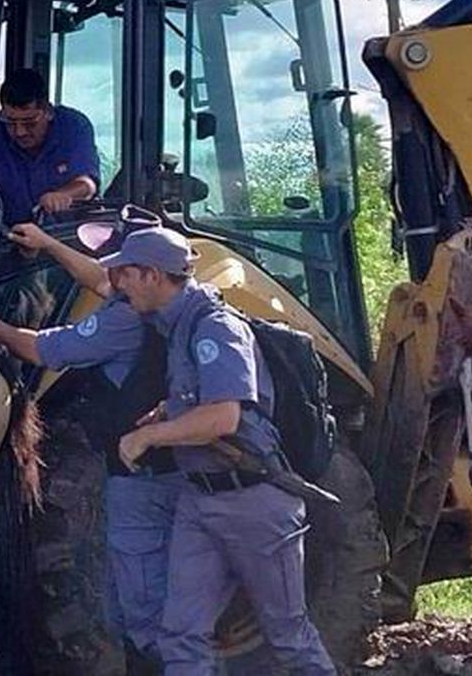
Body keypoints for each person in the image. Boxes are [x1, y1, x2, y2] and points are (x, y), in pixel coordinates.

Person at [0, 206, 178, 671]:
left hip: (141, 472)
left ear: (142, 272)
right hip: (155, 466)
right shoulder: (156, 297)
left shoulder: (124, 320)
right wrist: (51, 245)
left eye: (118, 263)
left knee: (136, 591)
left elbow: (41, 349)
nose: (110, 272)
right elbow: (100, 282)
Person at [109, 229, 335, 676]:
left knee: (289, 637)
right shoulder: (175, 323)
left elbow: (223, 419)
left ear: (153, 275)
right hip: (200, 498)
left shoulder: (216, 326)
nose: (118, 284)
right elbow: (199, 401)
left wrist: (149, 437)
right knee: (181, 636)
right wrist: (168, 411)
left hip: (253, 502)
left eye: (125, 274)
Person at [0, 68, 99, 224]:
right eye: (11, 123)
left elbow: (87, 185)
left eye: (29, 123)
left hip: (61, 238)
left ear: (48, 112)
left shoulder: (73, 127)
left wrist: (62, 196)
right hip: (2, 238)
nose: (20, 132)